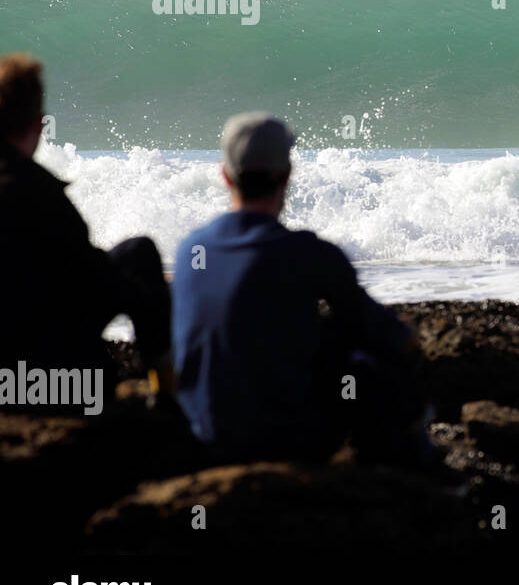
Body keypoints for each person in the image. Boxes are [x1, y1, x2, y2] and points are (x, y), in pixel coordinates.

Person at [171, 112, 437, 469]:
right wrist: (406, 335)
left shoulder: (190, 251)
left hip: (204, 434)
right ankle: (421, 472)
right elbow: (385, 335)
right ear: (287, 174)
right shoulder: (309, 254)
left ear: (224, 175)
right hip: (288, 441)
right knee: (363, 358)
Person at [0, 53, 171, 400]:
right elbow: (90, 279)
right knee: (138, 254)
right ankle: (167, 390)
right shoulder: (38, 191)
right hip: (47, 374)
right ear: (39, 123)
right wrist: (147, 287)